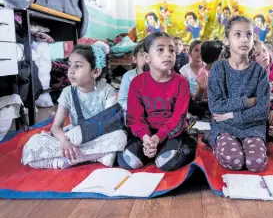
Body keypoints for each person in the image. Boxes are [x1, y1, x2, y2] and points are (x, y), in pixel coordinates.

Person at [22, 43, 127, 169]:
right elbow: (56, 127)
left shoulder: (107, 91)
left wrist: (80, 136)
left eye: (78, 66)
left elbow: (110, 124)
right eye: (70, 65)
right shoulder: (67, 92)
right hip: (74, 138)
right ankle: (91, 156)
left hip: (97, 137)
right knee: (32, 144)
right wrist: (64, 141)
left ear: (95, 71)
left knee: (120, 137)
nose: (71, 71)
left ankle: (64, 161)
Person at [117, 32, 196, 171]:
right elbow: (134, 117)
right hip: (146, 133)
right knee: (127, 161)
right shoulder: (136, 82)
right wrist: (146, 137)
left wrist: (159, 137)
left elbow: (179, 117)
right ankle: (153, 150)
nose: (168, 54)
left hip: (171, 132)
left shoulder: (181, 82)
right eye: (160, 50)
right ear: (147, 57)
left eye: (172, 50)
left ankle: (188, 141)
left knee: (165, 163)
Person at [208, 16, 270, 172]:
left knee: (255, 164)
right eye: (237, 34)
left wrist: (232, 115)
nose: (244, 39)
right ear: (227, 40)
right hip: (224, 126)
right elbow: (215, 105)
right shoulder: (218, 68)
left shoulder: (259, 71)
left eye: (248, 35)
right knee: (235, 161)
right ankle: (214, 141)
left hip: (252, 127)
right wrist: (247, 102)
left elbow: (262, 110)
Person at [252, 40, 273, 130]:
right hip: (261, 110)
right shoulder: (251, 75)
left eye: (264, 50)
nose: (264, 55)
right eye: (258, 54)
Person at [118, 42, 147, 115]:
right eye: (143, 55)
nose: (147, 58)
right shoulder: (128, 76)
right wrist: (136, 109)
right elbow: (122, 100)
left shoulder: (159, 76)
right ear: (134, 59)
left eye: (151, 55)